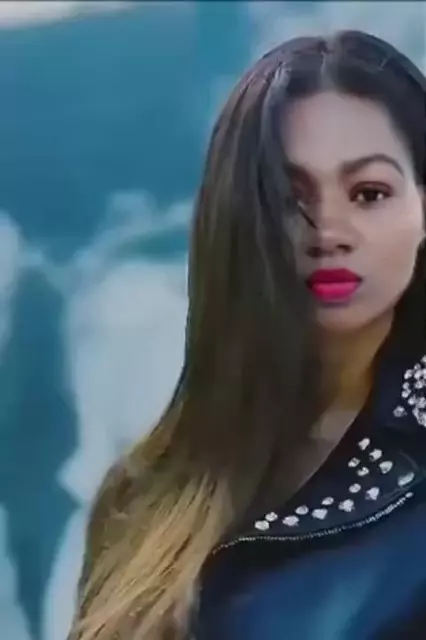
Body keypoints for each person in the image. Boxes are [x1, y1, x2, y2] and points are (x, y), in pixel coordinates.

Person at [69, 29, 426, 640]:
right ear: (237, 219)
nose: (328, 232)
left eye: (368, 194)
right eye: (288, 199)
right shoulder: (143, 490)